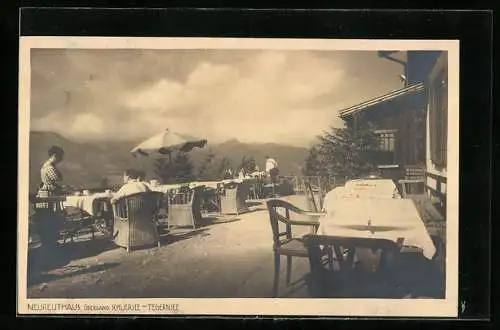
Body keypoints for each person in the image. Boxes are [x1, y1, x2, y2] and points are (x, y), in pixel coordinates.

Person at [35, 146, 66, 250]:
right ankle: (50, 244)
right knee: (49, 218)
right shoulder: (50, 167)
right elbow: (58, 178)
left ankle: (50, 243)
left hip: (47, 195)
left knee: (49, 219)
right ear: (54, 156)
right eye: (60, 157)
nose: (61, 159)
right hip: (47, 196)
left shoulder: (47, 166)